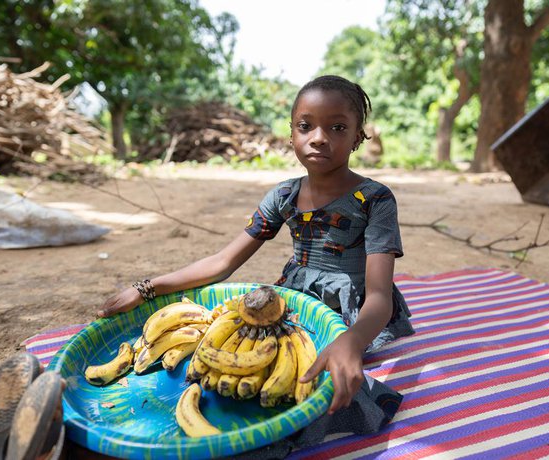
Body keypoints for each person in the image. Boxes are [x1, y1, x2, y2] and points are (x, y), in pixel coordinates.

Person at [98, 74, 414, 415]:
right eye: (306, 126)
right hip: (295, 299)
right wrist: (147, 288)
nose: (319, 138)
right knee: (220, 368)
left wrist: (352, 341)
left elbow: (379, 296)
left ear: (358, 136)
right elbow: (223, 262)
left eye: (337, 128)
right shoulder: (283, 196)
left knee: (307, 390)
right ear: (291, 134)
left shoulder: (374, 199)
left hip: (355, 312)